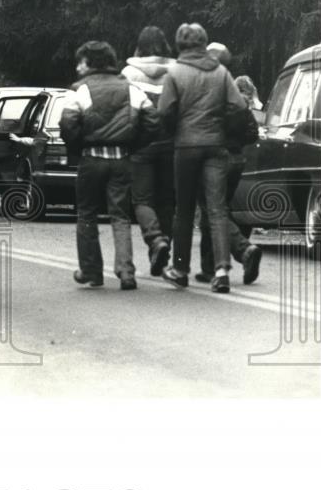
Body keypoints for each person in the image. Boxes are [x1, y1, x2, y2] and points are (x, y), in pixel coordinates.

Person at [59, 41, 159, 290]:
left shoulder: (80, 90)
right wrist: (134, 145)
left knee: (87, 213)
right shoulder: (130, 88)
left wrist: (78, 147)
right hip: (121, 159)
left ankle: (91, 271)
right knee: (120, 215)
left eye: (80, 61)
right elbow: (152, 121)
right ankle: (126, 272)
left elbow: (68, 124)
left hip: (91, 159)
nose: (77, 66)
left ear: (90, 63)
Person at [157, 23, 249, 293]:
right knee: (217, 208)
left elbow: (165, 112)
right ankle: (221, 271)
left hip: (185, 147)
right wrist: (223, 128)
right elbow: (239, 107)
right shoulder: (221, 72)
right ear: (203, 43)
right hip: (216, 145)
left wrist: (176, 129)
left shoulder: (174, 73)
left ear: (180, 44)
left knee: (183, 210)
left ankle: (180, 269)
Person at [195, 43, 263, 285]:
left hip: (213, 159)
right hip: (236, 160)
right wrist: (235, 142)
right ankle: (208, 268)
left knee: (213, 211)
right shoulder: (235, 93)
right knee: (214, 210)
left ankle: (244, 250)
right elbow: (253, 133)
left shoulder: (206, 90)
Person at [120, 25, 176, 275]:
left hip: (140, 144)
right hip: (170, 143)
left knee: (142, 199)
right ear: (164, 45)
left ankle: (155, 240)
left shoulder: (128, 74)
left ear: (139, 46)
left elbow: (123, 110)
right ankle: (164, 248)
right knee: (167, 200)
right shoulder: (176, 72)